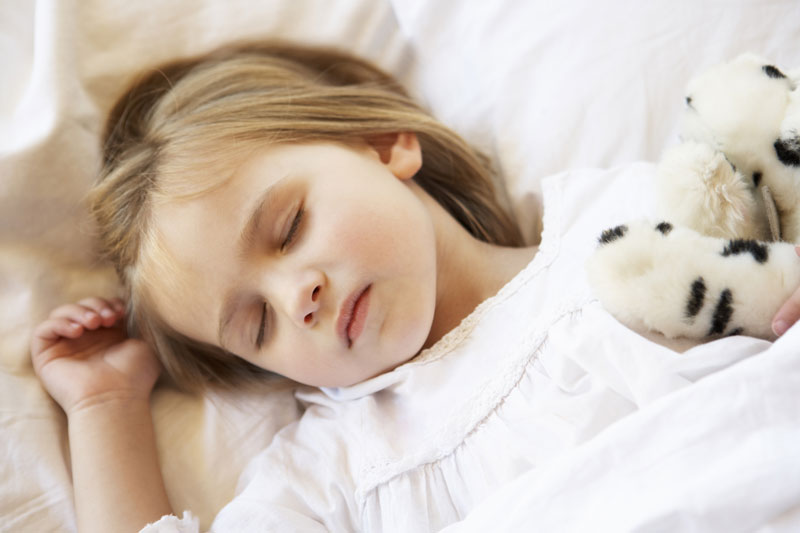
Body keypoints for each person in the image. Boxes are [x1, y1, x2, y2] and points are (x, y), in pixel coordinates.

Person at [29, 42, 800, 533]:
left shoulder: (621, 220)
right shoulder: (333, 473)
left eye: (290, 225)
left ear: (385, 145)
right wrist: (105, 408)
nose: (297, 296)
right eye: (257, 324)